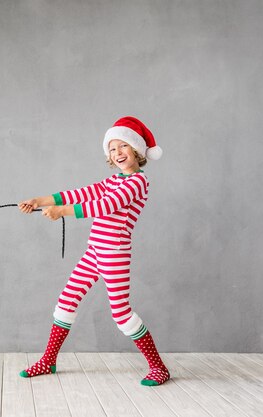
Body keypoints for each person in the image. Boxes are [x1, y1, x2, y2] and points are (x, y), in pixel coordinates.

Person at [18, 116, 169, 386]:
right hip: (94, 253)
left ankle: (159, 368)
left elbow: (105, 206)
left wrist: (62, 212)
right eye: (112, 149)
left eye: (123, 146)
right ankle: (48, 360)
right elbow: (82, 194)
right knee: (65, 302)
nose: (118, 153)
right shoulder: (113, 180)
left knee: (122, 314)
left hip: (114, 254)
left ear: (137, 150)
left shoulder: (137, 183)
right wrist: (40, 200)